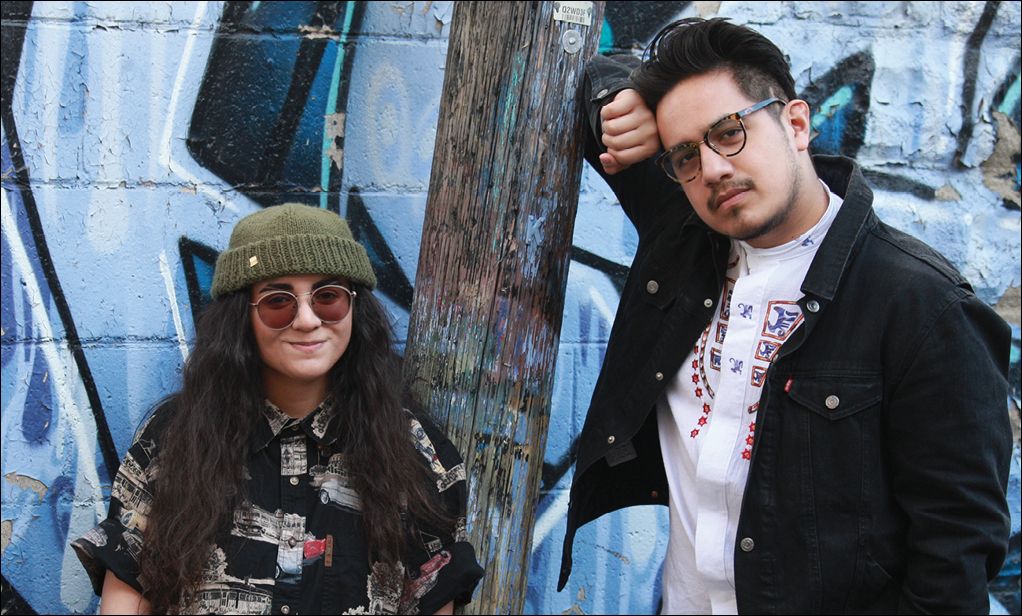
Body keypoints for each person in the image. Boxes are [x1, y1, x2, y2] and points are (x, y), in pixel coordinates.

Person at [558, 17, 1011, 614]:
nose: (713, 168)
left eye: (729, 132)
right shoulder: (683, 239)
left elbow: (955, 556)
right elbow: (590, 71)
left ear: (796, 124)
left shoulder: (922, 306)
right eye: (686, 154)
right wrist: (622, 101)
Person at [72, 204, 483, 614]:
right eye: (278, 302)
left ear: (354, 307)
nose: (306, 320)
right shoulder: (174, 441)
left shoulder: (415, 453)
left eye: (328, 297)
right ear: (242, 317)